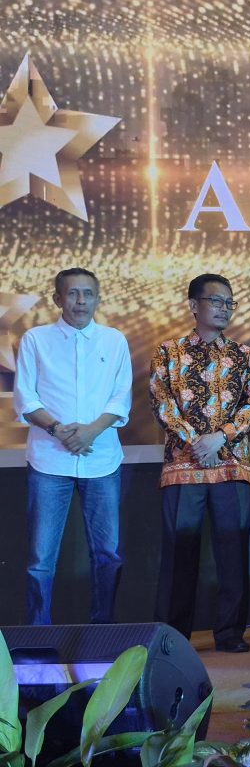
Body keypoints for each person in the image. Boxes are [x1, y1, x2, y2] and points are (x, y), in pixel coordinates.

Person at [149, 274, 250, 652]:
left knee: (233, 553)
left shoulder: (244, 355)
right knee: (179, 554)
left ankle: (230, 634)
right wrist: (197, 444)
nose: (224, 308)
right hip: (184, 468)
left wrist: (221, 437)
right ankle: (173, 638)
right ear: (193, 305)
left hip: (231, 465)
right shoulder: (168, 353)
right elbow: (163, 404)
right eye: (216, 301)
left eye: (229, 302)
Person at [13, 268, 132, 625]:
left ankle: (102, 630)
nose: (81, 301)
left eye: (88, 294)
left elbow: (121, 397)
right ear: (57, 299)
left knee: (108, 555)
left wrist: (91, 432)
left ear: (98, 299)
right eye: (73, 293)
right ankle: (39, 635)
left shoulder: (114, 341)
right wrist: (58, 430)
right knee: (40, 560)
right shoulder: (36, 339)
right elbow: (26, 398)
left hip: (102, 461)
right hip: (49, 461)